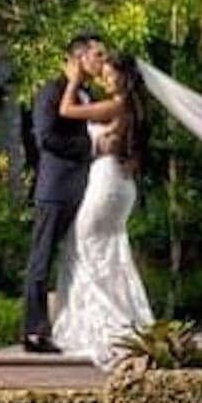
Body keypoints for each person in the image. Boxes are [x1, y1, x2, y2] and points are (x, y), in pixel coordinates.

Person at [49, 51, 155, 365]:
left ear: (126, 76)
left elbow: (67, 111)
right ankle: (125, 317)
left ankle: (102, 323)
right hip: (122, 185)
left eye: (111, 75)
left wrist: (72, 82)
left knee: (82, 246)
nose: (106, 80)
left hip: (107, 180)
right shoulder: (136, 107)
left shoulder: (118, 104)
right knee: (109, 250)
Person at [21, 34, 106, 353]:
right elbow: (45, 138)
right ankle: (34, 331)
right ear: (79, 57)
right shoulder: (52, 91)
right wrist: (90, 147)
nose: (101, 61)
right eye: (97, 55)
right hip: (56, 187)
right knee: (41, 260)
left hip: (87, 187)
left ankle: (78, 323)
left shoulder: (88, 94)